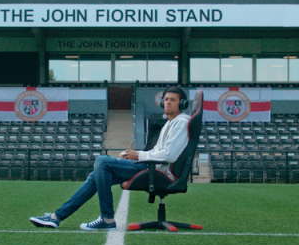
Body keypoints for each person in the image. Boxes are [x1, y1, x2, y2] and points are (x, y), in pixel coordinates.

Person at [30, 86, 191, 231]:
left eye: (173, 100)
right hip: (152, 166)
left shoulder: (181, 123)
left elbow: (169, 155)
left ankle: (107, 219)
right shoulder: (170, 123)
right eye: (166, 99)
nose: (168, 102)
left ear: (182, 103)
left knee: (102, 161)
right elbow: (159, 151)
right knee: (96, 175)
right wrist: (136, 155)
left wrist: (140, 155)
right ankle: (56, 217)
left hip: (160, 172)